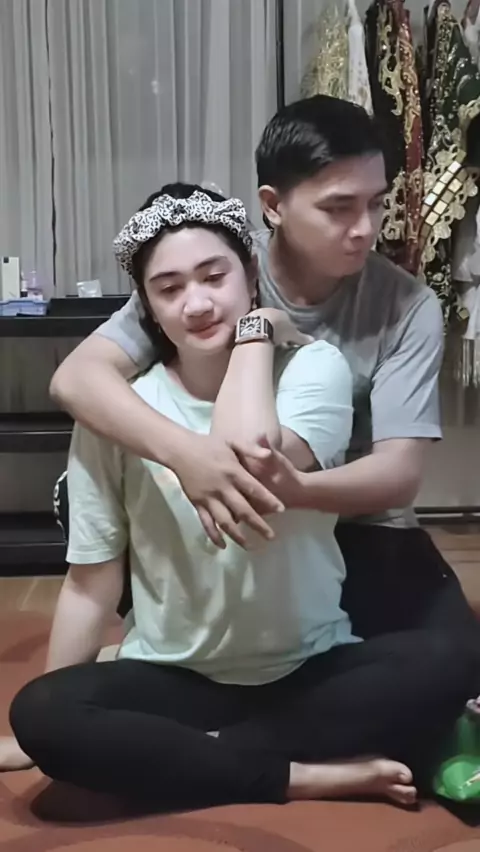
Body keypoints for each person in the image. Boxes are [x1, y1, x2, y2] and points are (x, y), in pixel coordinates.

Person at [3, 186, 478, 809]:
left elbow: (246, 454)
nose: (197, 303)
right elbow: (91, 583)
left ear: (250, 275)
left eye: (214, 276)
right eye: (169, 288)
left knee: (453, 659)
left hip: (308, 669)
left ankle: (188, 756)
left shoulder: (313, 369)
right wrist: (45, 726)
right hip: (174, 673)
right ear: (146, 307)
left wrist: (256, 334)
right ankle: (296, 774)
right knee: (41, 713)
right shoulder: (121, 415)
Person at [48, 95, 478, 645]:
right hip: (209, 518)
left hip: (356, 525)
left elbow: (397, 474)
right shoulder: (211, 267)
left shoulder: (406, 306)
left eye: (375, 204)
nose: (365, 228)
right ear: (273, 206)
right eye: (338, 208)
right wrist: (188, 457)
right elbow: (77, 378)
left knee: (451, 663)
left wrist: (292, 489)